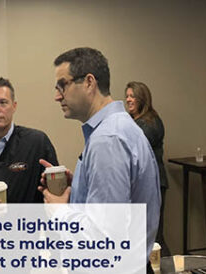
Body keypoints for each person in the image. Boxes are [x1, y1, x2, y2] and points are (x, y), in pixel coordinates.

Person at [42, 47, 160, 261]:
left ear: (89, 82)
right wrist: (80, 186)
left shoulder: (108, 140)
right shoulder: (117, 128)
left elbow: (103, 238)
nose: (57, 97)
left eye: (62, 86)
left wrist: (59, 211)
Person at [125, 81, 170, 256]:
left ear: (142, 99)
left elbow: (132, 150)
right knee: (145, 236)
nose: (128, 100)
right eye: (127, 96)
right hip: (142, 184)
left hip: (153, 184)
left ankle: (166, 266)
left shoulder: (150, 123)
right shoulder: (134, 122)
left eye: (132, 96)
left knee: (154, 237)